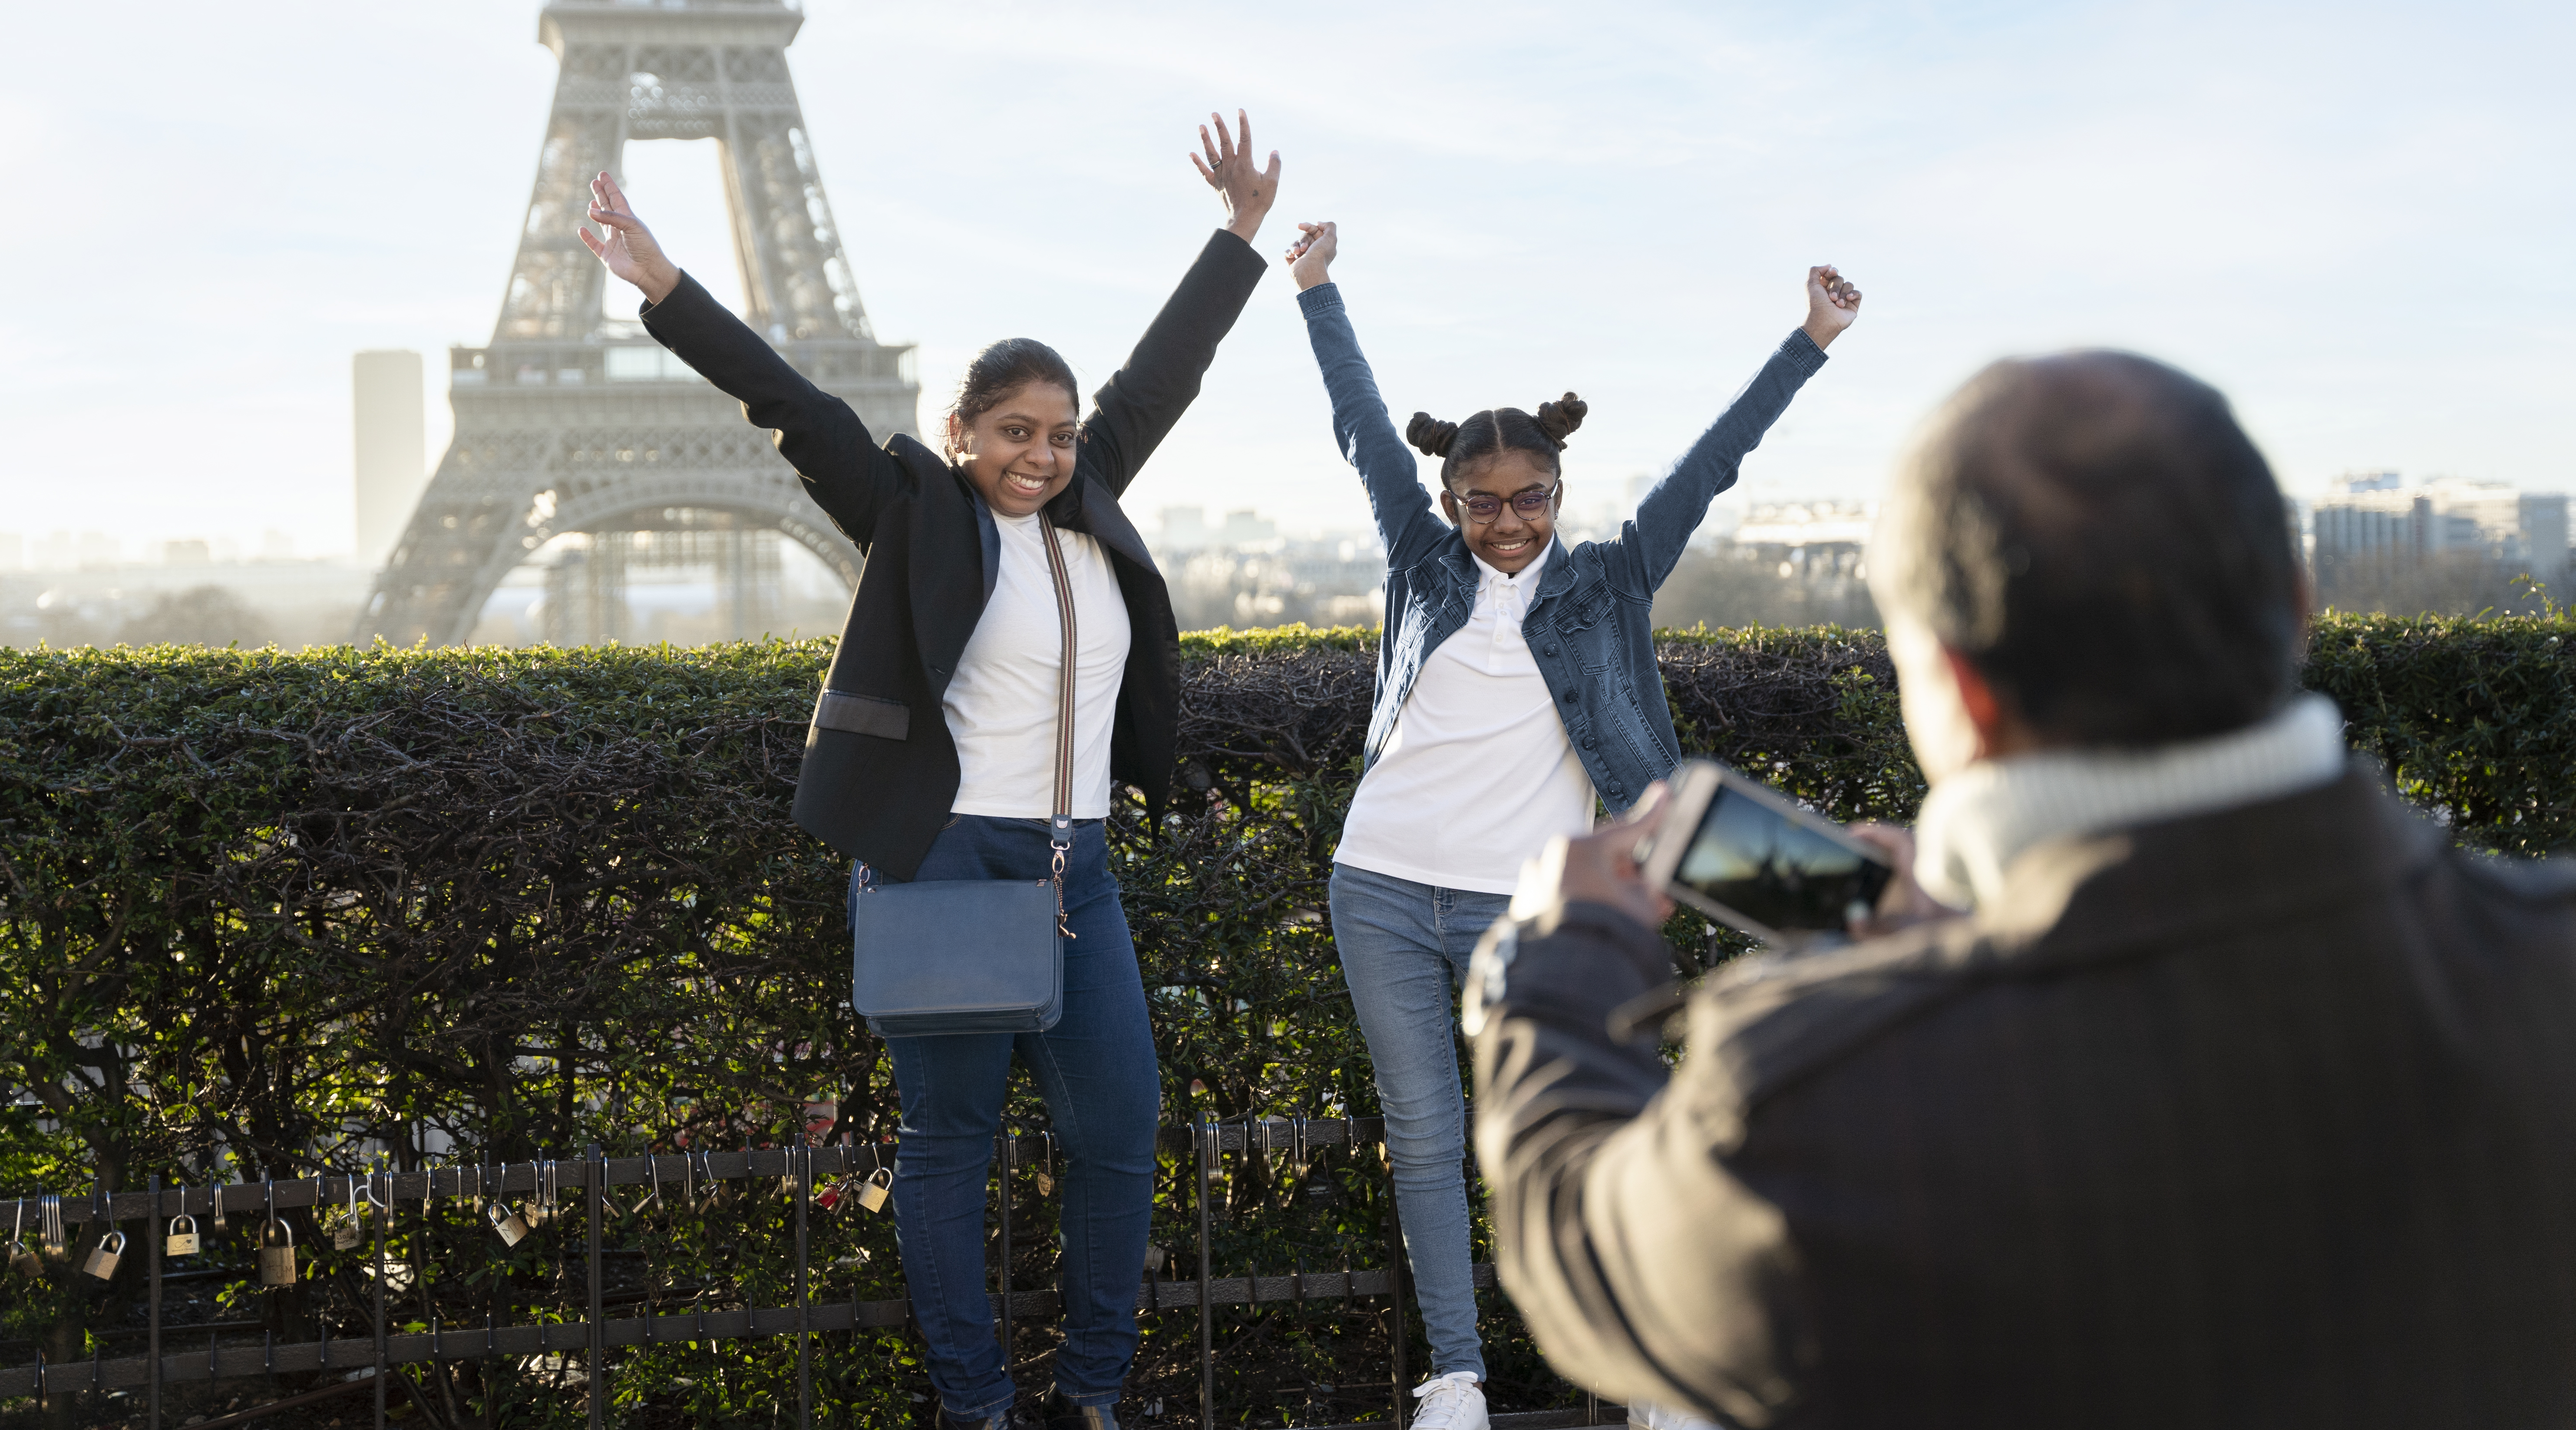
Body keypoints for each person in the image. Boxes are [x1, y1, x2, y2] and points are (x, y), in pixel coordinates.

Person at [1466, 351, 2576, 1429]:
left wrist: (1560, 962)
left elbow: (1587, 1246)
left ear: (1950, 681)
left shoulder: (1819, 1099)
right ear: (2296, 605)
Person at [580, 113, 1285, 1430]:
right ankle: (975, 1403)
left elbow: (1166, 370)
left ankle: (1091, 1398)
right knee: (951, 1144)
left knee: (1120, 1135)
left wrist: (1237, 235)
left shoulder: (1092, 500)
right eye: (1015, 430)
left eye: (1061, 431)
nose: (1044, 451)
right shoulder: (917, 513)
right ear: (961, 432)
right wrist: (668, 290)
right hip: (952, 860)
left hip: (1082, 867)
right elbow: (797, 408)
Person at [1280, 220, 1861, 1430]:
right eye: (1481, 503)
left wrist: (1811, 340)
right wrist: (1316, 288)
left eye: (1530, 499)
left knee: (1588, 1122)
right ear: (1447, 500)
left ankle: (1650, 1370)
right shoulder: (1416, 558)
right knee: (1429, 1140)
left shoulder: (1608, 581)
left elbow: (1715, 463)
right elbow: (1357, 422)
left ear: (1561, 493)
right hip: (1379, 886)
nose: (1506, 523)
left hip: (1523, 899)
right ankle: (1456, 1381)